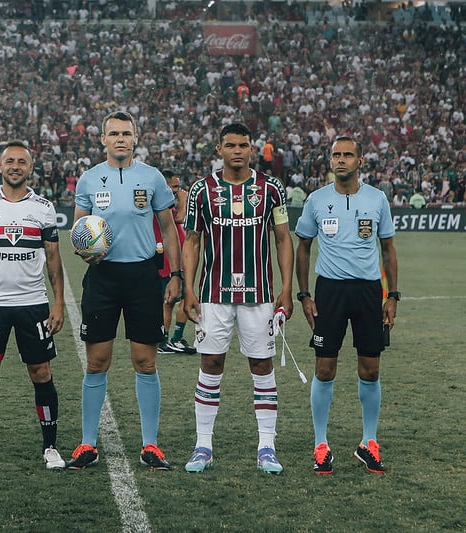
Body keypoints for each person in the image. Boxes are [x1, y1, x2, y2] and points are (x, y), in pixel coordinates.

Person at [67, 110, 182, 470]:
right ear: (102, 139)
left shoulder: (152, 178)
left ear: (136, 138)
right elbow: (79, 228)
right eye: (113, 133)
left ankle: (151, 445)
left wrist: (175, 275)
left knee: (145, 362)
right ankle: (87, 444)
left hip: (143, 278)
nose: (120, 138)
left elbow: (168, 229)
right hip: (102, 278)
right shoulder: (89, 179)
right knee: (97, 362)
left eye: (126, 133)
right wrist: (86, 249)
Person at [181, 122, 294, 474]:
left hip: (259, 295)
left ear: (251, 149)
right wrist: (188, 287)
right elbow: (192, 241)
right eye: (230, 145)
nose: (237, 151)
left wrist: (286, 288)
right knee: (211, 363)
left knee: (261, 365)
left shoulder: (271, 188)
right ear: (219, 149)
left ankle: (266, 447)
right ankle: (203, 445)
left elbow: (282, 239)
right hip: (214, 294)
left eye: (243, 145)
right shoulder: (202, 190)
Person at [0, 141, 67, 470]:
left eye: (22, 161)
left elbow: (54, 259)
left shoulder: (44, 208)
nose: (15, 166)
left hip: (33, 304)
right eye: (9, 161)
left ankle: (50, 447)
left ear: (31, 168)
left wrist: (58, 303)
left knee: (41, 372)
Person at [295, 136, 398, 475]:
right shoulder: (316, 200)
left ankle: (369, 442)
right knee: (325, 368)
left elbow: (388, 249)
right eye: (336, 155)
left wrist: (392, 296)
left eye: (347, 155)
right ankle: (321, 444)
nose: (341, 160)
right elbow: (304, 247)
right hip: (330, 292)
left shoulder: (377, 199)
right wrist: (305, 294)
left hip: (369, 292)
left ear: (360, 160)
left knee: (371, 369)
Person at [155, 170, 196, 355]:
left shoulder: (164, 200)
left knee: (185, 296)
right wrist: (185, 199)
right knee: (169, 301)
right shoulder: (161, 201)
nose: (177, 190)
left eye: (178, 186)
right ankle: (166, 341)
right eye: (174, 186)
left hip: (175, 256)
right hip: (167, 258)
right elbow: (179, 218)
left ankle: (174, 339)